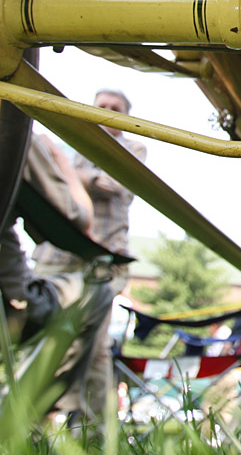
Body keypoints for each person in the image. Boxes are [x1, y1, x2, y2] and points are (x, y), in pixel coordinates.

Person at [32, 88, 146, 425]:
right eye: (101, 107)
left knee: (92, 346)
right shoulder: (68, 140)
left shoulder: (132, 148)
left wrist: (66, 170)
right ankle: (35, 421)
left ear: (124, 118)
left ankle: (92, 429)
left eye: (115, 109)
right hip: (57, 254)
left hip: (101, 260)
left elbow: (116, 184)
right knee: (42, 333)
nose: (107, 112)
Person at [1, 134, 113, 420]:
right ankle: (29, 417)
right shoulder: (12, 112)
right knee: (98, 291)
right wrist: (60, 160)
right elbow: (77, 218)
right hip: (12, 305)